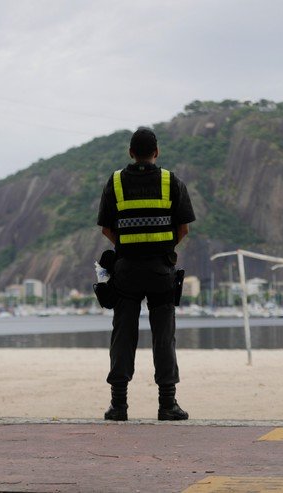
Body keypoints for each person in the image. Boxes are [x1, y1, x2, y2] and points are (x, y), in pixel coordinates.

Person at [96, 127, 195, 421]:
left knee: (122, 336)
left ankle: (118, 406)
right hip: (160, 270)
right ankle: (167, 405)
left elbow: (106, 228)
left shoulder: (115, 182)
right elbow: (183, 228)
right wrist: (162, 249)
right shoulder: (171, 181)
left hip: (126, 271)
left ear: (130, 153)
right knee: (163, 336)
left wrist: (127, 248)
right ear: (157, 152)